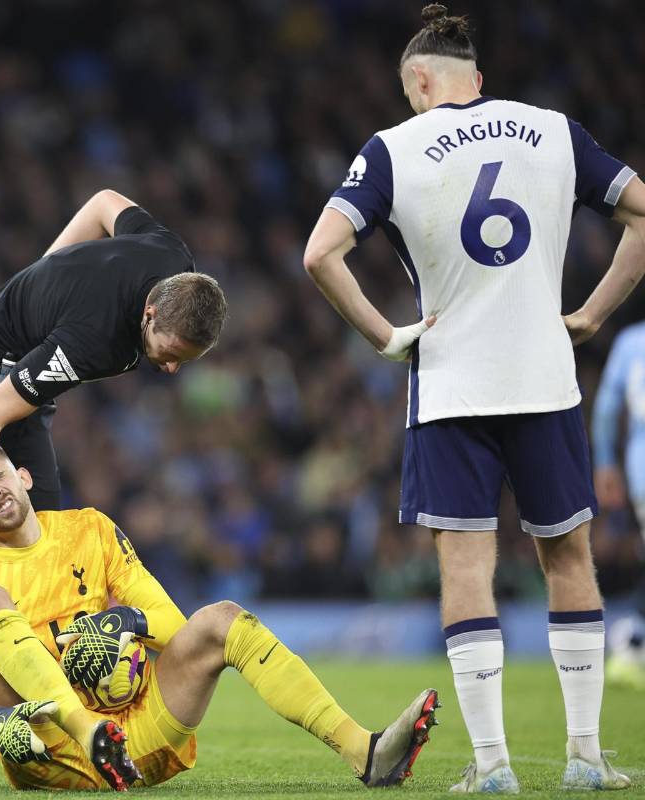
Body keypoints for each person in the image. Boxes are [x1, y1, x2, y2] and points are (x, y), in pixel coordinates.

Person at [302, 4, 644, 792]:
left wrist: (384, 335)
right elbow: (641, 211)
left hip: (452, 382)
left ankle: (493, 768)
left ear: (419, 82)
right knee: (567, 556)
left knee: (465, 565)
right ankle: (587, 759)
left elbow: (321, 253)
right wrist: (591, 312)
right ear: (478, 80)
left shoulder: (391, 148)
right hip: (544, 376)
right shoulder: (554, 129)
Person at [0, 187, 228, 782]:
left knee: (40, 544)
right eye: (167, 353)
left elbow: (102, 202)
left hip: (20, 385)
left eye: (185, 361)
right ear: (148, 314)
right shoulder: (92, 339)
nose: (170, 368)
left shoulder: (173, 263)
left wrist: (33, 285)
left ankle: (44, 708)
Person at [0, 442, 438, 791]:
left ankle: (365, 753)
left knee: (220, 619)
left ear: (23, 476)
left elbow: (170, 624)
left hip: (136, 738)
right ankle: (87, 731)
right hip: (48, 750)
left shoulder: (90, 529)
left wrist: (126, 623)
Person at [590, 323, 645, 689]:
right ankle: (631, 639)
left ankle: (632, 638)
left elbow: (607, 410)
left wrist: (607, 462)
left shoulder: (631, 341)